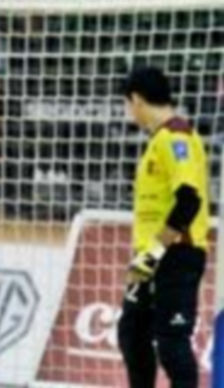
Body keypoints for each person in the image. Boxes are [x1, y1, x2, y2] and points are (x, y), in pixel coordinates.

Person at [117, 66, 209, 388]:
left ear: (137, 100)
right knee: (131, 333)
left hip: (176, 254)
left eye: (127, 105)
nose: (129, 112)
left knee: (172, 345)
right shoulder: (158, 141)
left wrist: (153, 253)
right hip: (149, 256)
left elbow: (189, 201)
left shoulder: (177, 137)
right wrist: (145, 256)